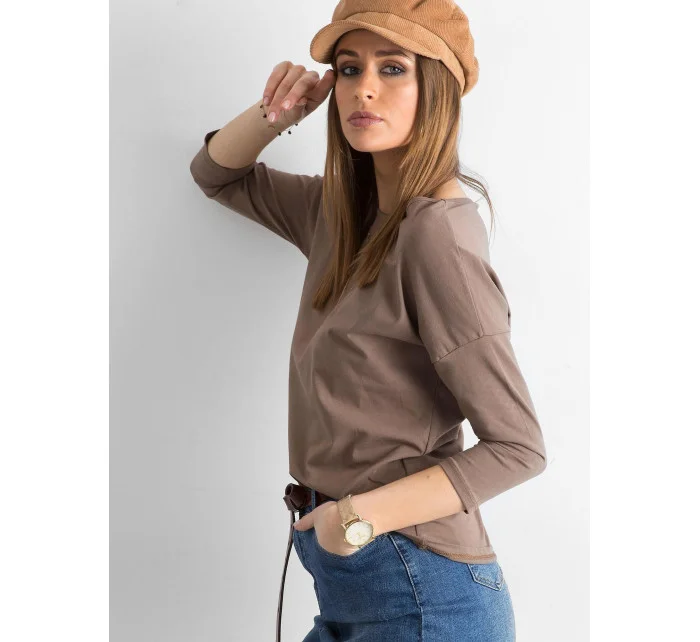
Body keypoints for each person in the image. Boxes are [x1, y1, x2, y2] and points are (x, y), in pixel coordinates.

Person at [189, 1, 547, 640]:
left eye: (393, 68)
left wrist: (353, 520)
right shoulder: (340, 213)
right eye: (350, 69)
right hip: (355, 583)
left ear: (438, 89)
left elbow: (519, 448)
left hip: (420, 591)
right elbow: (216, 173)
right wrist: (277, 114)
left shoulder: (437, 238)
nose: (364, 89)